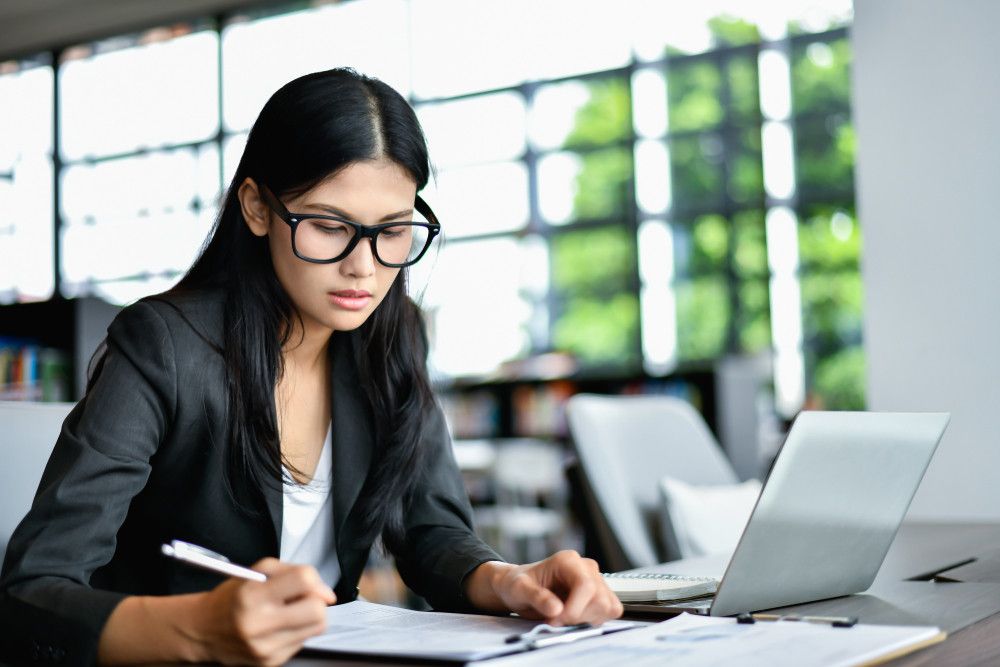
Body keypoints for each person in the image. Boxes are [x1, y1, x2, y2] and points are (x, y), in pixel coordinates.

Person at [0, 68, 622, 666]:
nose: (365, 267)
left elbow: (431, 530)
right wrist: (200, 630)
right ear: (257, 208)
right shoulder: (163, 344)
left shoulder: (392, 335)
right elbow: (30, 592)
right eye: (329, 226)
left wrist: (511, 581)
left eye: (394, 230)